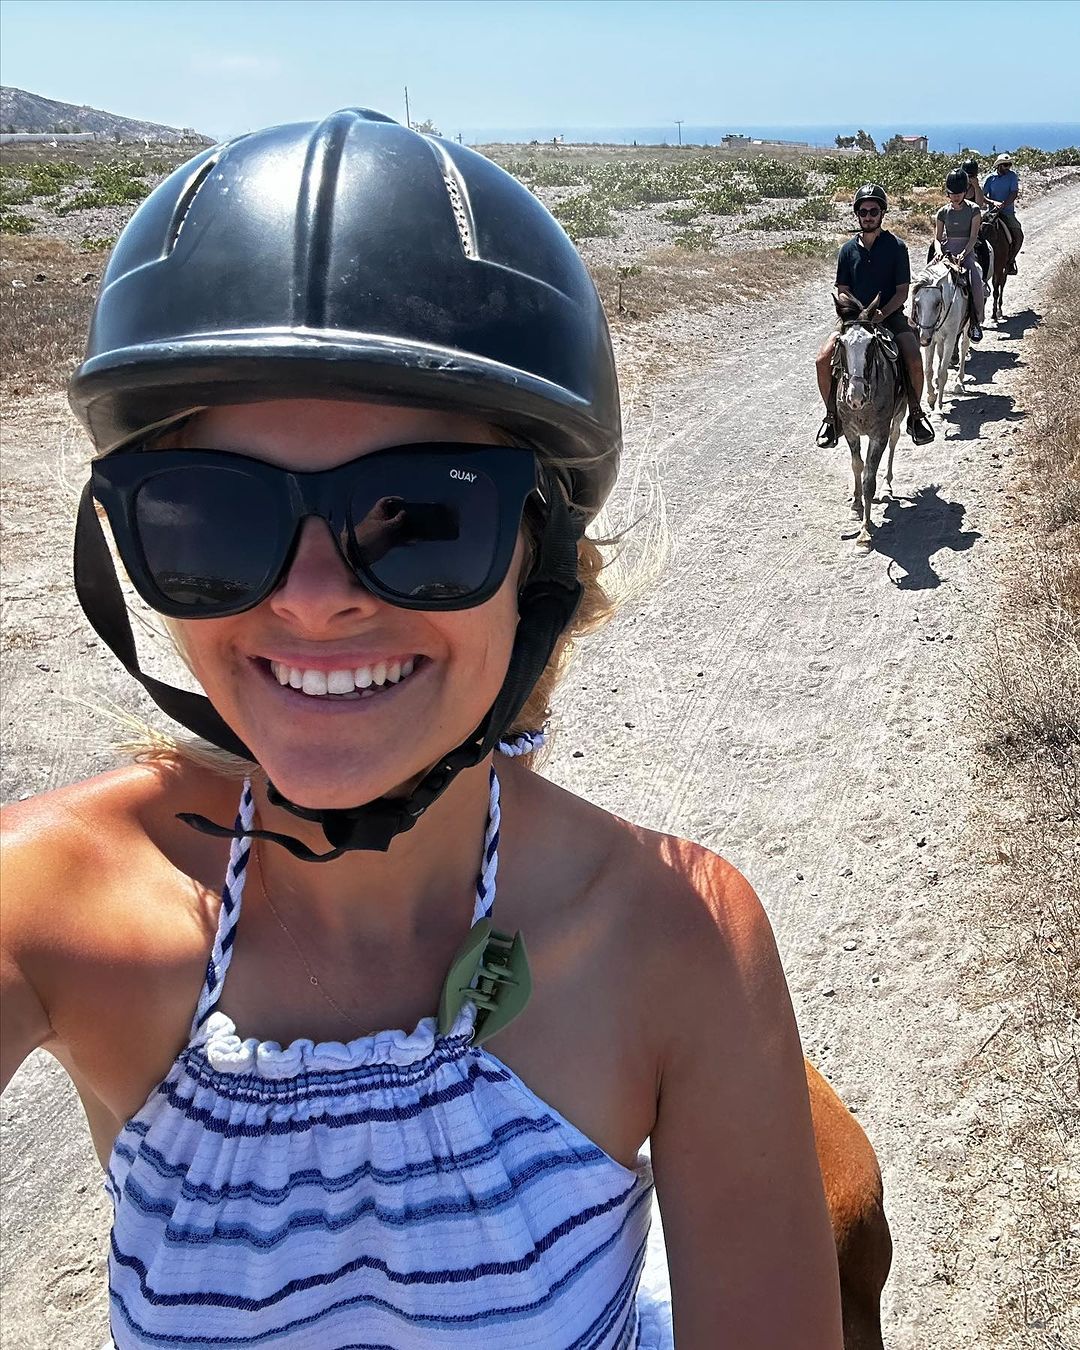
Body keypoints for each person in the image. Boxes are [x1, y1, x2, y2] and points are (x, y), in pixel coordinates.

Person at [0, 110, 843, 1348]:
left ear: (540, 561)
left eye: (421, 518)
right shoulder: (43, 907)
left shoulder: (680, 941)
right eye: (210, 517)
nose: (310, 598)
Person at [815, 184, 935, 449]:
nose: (868, 216)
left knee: (913, 356)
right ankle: (832, 417)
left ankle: (916, 414)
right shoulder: (847, 250)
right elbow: (842, 289)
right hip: (854, 320)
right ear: (857, 215)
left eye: (873, 211)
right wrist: (855, 312)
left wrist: (881, 313)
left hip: (888, 316)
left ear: (882, 213)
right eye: (863, 212)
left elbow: (902, 292)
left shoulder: (897, 247)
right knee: (823, 359)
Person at [932, 169, 986, 341]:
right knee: (925, 280)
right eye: (952, 193)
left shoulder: (974, 210)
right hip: (947, 250)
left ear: (965, 191)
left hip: (966, 250)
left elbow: (973, 237)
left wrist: (964, 252)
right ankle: (918, 320)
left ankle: (976, 321)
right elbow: (937, 238)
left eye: (959, 193)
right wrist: (939, 252)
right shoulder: (942, 212)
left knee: (975, 279)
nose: (955, 197)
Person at [983, 152, 1023, 273]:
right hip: (992, 212)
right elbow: (983, 195)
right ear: (999, 166)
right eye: (1005, 165)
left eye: (1009, 165)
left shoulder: (1012, 176)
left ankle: (1010, 261)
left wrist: (1004, 204)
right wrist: (993, 202)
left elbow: (1014, 193)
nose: (1008, 167)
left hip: (1007, 212)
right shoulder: (990, 178)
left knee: (1018, 235)